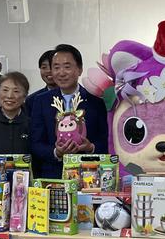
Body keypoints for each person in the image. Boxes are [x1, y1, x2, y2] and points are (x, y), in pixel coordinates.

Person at [29, 43, 108, 178]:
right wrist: (56, 152)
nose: (61, 73)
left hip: (89, 176)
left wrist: (91, 148)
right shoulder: (41, 101)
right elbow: (35, 143)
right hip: (54, 176)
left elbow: (106, 140)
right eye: (56, 67)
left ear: (79, 69)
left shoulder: (97, 102)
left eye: (67, 67)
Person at [27, 49, 57, 117]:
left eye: (53, 67)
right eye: (44, 67)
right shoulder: (32, 100)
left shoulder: (73, 96)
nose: (48, 71)